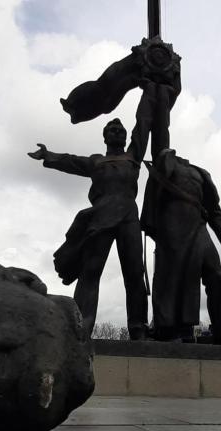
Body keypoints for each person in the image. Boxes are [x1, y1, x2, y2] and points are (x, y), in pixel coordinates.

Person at [28, 83, 159, 339]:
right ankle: (82, 324)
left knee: (134, 273)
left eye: (120, 129)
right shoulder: (96, 161)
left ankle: (138, 327)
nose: (117, 131)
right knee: (90, 272)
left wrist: (149, 94)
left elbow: (143, 124)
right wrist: (48, 155)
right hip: (101, 216)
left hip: (129, 218)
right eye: (112, 128)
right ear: (105, 136)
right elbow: (70, 161)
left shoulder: (133, 157)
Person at [141, 86, 221, 344]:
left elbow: (215, 212)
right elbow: (160, 134)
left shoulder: (201, 173)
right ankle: (167, 329)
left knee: (216, 277)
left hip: (199, 230)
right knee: (169, 279)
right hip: (172, 231)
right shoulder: (164, 166)